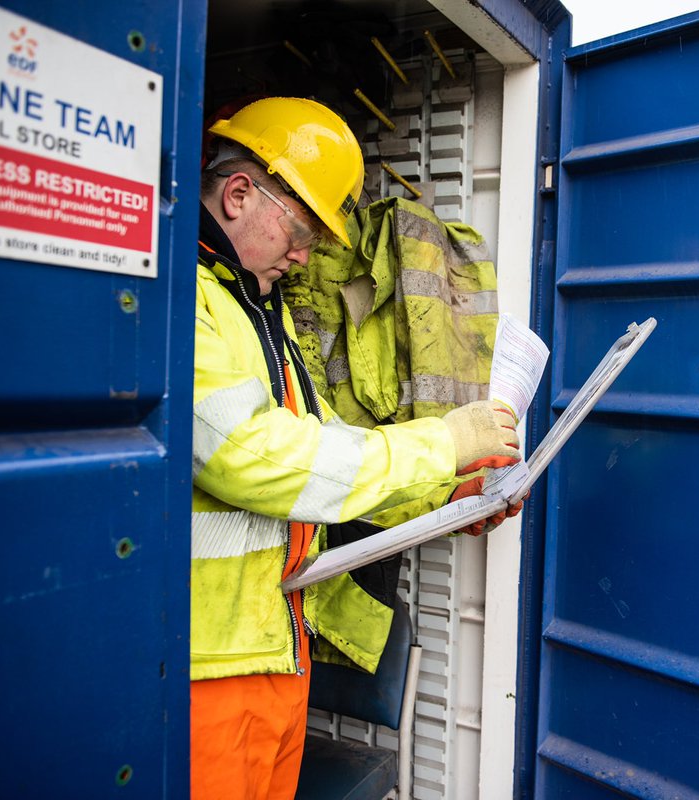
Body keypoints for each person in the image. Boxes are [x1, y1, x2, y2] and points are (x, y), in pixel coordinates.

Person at [191, 96, 523, 800]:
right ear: (239, 194)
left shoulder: (257, 313)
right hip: (206, 676)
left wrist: (450, 492)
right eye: (302, 229)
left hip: (277, 656)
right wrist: (442, 439)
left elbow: (327, 447)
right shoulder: (185, 300)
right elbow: (255, 456)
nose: (306, 254)